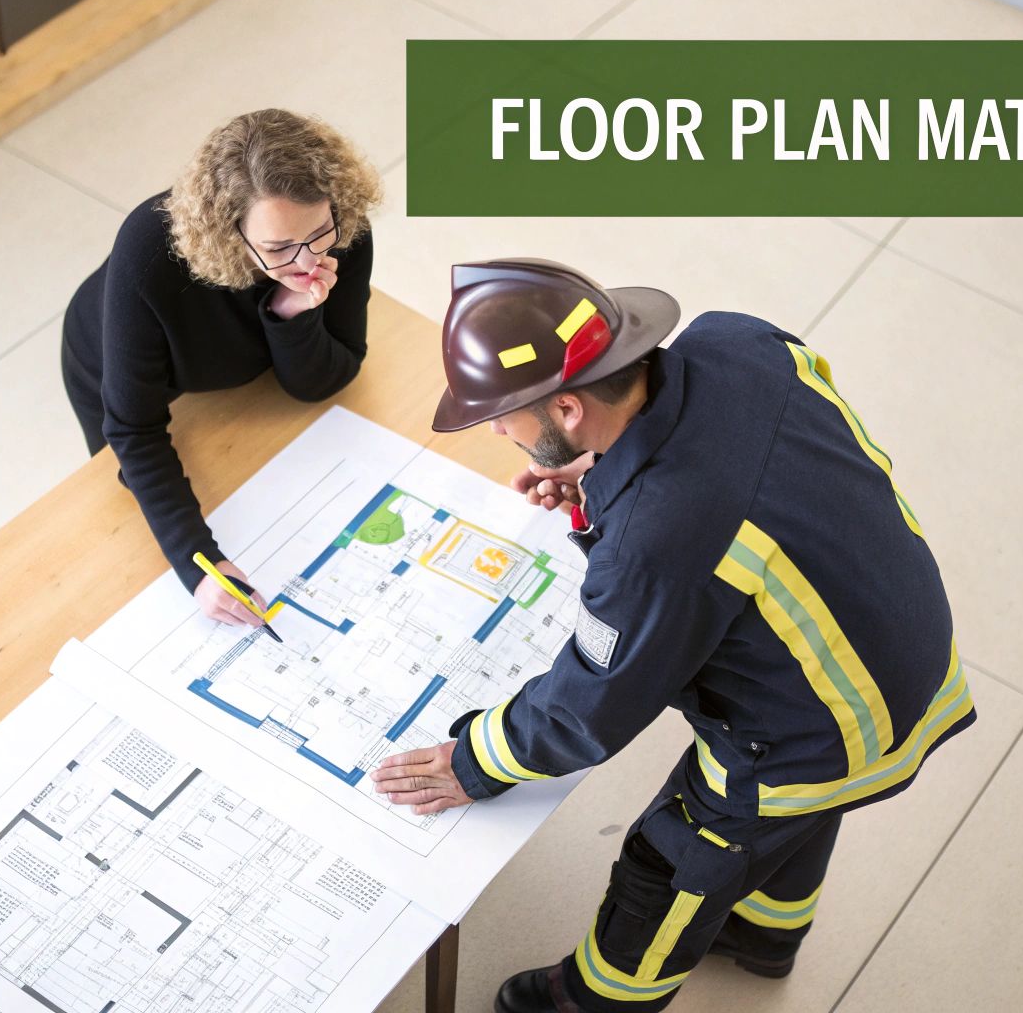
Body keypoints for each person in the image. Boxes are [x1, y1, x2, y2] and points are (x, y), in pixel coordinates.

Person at [370, 259, 976, 1013]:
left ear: (565, 411)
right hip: (897, 632)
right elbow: (734, 469)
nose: (495, 430)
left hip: (823, 727)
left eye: (502, 414)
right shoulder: (737, 342)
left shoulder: (658, 540)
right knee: (788, 825)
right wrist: (610, 479)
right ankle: (764, 936)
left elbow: (586, 709)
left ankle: (598, 1000)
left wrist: (474, 761)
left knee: (676, 862)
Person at [60, 108, 382, 624]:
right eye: (278, 248)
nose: (306, 263)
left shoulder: (340, 234)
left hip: (232, 380)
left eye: (319, 233)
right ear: (231, 232)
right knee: (123, 518)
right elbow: (133, 428)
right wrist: (201, 567)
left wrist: (291, 313)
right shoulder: (149, 254)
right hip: (107, 355)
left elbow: (326, 380)